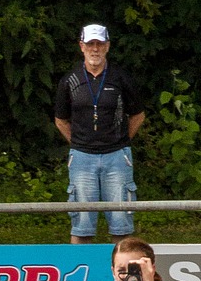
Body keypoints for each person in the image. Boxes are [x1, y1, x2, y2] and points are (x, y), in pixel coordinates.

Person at [54, 23, 145, 244]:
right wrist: (79, 143)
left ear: (107, 47)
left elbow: (138, 115)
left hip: (117, 157)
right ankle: (81, 272)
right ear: (81, 47)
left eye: (100, 44)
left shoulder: (121, 78)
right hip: (82, 158)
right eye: (90, 44)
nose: (95, 49)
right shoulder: (70, 80)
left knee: (121, 221)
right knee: (82, 223)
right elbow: (60, 120)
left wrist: (121, 141)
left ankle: (122, 274)